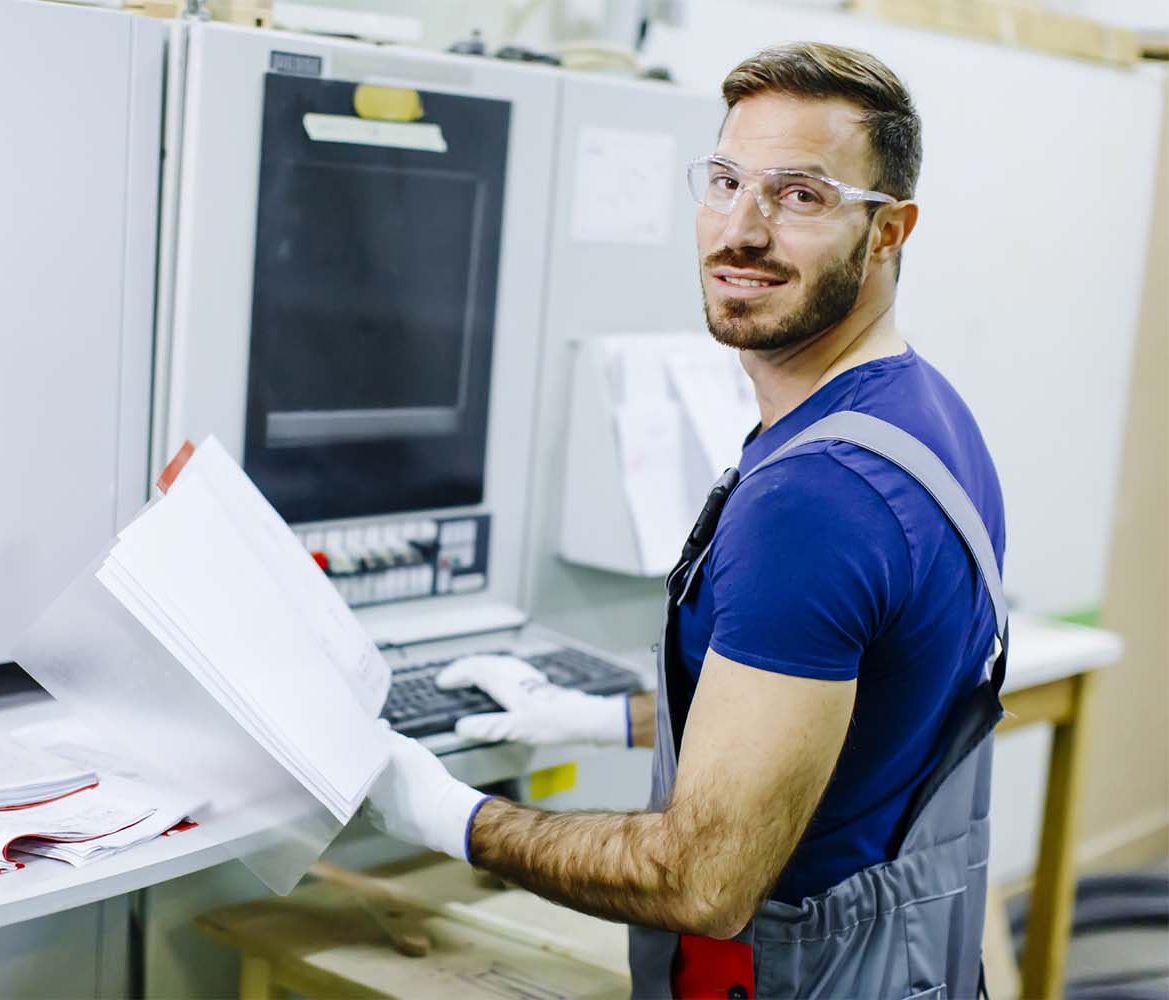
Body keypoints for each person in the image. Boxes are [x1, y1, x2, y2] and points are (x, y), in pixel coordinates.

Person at [365, 41, 1009, 999]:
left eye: (801, 196)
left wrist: (449, 815)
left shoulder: (816, 498)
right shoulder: (922, 414)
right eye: (726, 181)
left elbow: (702, 880)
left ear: (888, 233)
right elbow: (841, 716)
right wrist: (588, 718)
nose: (741, 231)